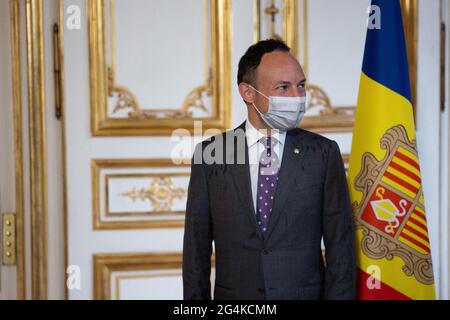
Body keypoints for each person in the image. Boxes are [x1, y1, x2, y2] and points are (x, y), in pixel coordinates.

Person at [183, 39, 356, 300]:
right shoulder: (210, 155)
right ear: (248, 93)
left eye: (301, 86)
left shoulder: (323, 154)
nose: (297, 98)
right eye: (283, 88)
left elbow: (341, 248)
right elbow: (196, 251)